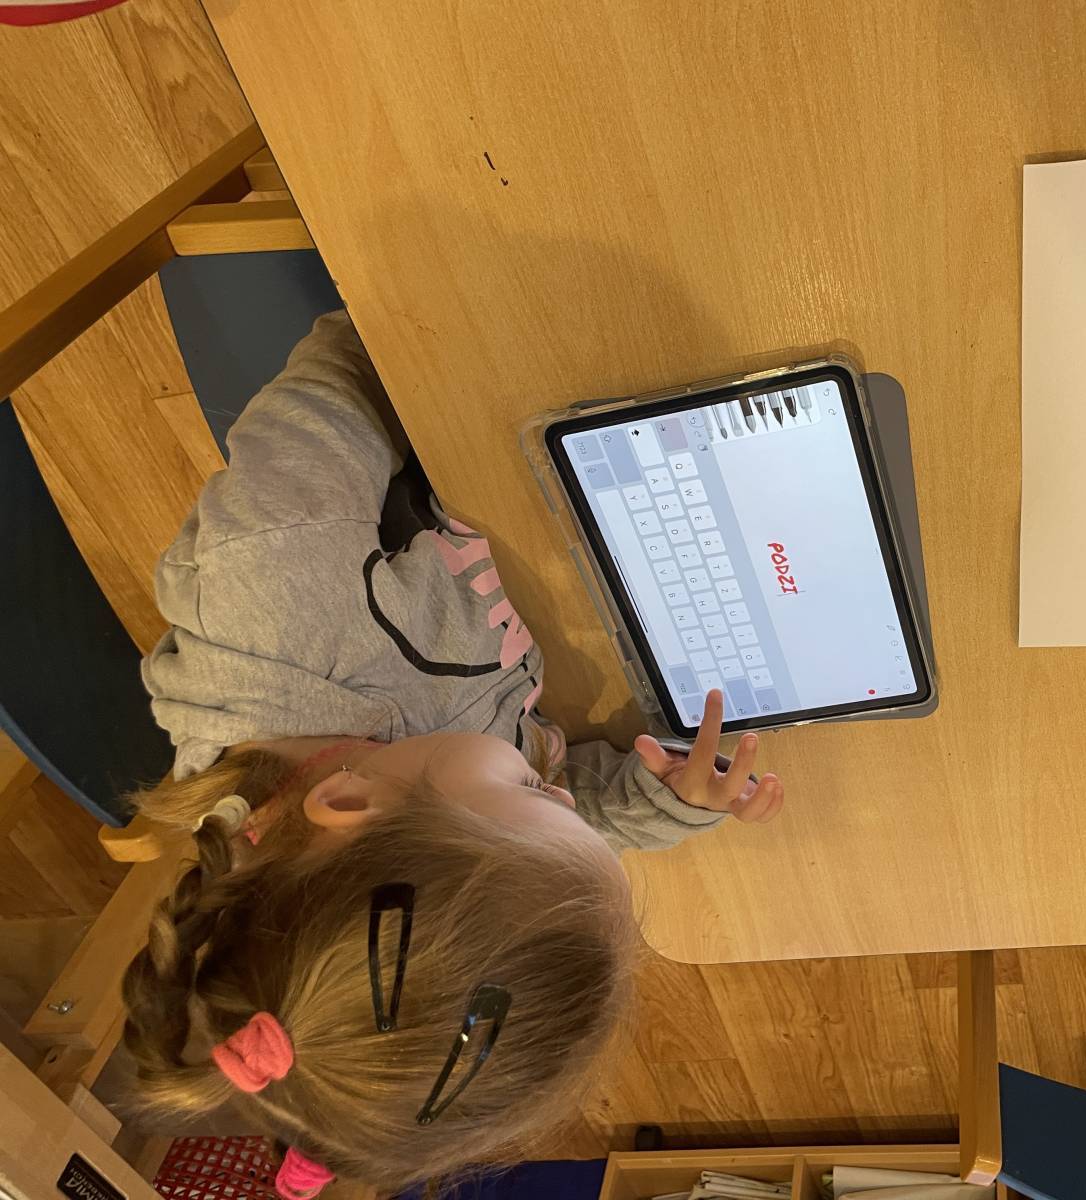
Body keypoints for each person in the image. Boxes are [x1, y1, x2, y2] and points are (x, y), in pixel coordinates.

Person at [118, 311, 784, 1197]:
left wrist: (444, 332)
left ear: (349, 805)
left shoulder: (277, 596)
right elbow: (556, 815)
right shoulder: (403, 826)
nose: (559, 794)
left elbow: (340, 368)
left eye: (535, 794)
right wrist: (663, 804)